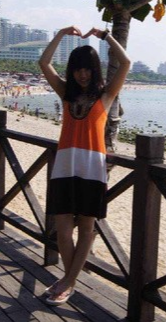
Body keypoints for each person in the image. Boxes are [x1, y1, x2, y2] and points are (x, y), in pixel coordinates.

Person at [38, 25, 131, 306]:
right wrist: (61, 34)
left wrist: (105, 36)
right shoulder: (66, 93)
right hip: (65, 163)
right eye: (78, 68)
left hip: (92, 165)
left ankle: (67, 283)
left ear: (95, 70)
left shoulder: (106, 95)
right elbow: (44, 63)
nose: (83, 73)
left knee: (87, 229)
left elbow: (126, 63)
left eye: (88, 68)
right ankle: (70, 280)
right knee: (63, 230)